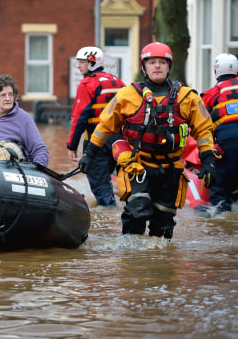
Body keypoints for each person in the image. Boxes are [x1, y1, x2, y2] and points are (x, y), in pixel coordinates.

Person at [79, 42, 216, 239]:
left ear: (169, 66)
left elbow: (204, 130)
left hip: (171, 168)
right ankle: (132, 258)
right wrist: (89, 154)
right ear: (144, 67)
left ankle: (157, 263)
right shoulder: (127, 95)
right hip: (139, 165)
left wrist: (209, 158)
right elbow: (104, 127)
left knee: (164, 221)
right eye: (152, 62)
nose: (157, 66)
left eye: (162, 62)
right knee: (137, 210)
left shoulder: (187, 97)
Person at [67, 46, 126, 207]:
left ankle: (108, 220)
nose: (78, 66)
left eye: (81, 62)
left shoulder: (87, 84)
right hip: (117, 142)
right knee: (107, 179)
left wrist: (72, 145)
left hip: (96, 141)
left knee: (100, 184)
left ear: (91, 63)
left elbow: (79, 117)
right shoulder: (118, 82)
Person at [0, 74, 49, 166]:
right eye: (3, 95)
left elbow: (40, 149)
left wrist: (38, 170)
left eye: (10, 94)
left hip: (13, 169)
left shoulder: (24, 118)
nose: (8, 99)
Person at [200, 53, 238, 214]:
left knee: (220, 189)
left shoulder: (211, 94)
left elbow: (199, 124)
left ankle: (220, 212)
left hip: (227, 146)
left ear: (216, 70)